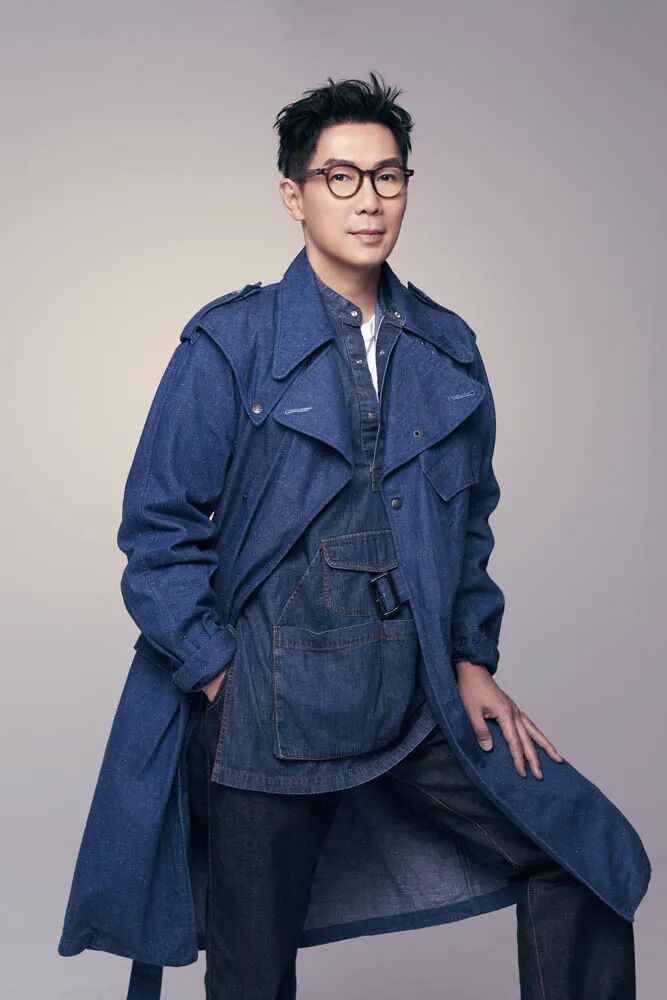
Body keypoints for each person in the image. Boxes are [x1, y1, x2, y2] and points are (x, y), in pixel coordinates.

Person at [58, 72, 650, 1000]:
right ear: (294, 195)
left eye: (387, 176)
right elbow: (156, 532)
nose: (368, 200)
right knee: (251, 976)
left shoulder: (446, 348)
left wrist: (470, 658)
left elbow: (470, 522)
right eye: (340, 177)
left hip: (414, 694)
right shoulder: (231, 345)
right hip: (265, 712)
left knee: (583, 857)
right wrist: (219, 674)